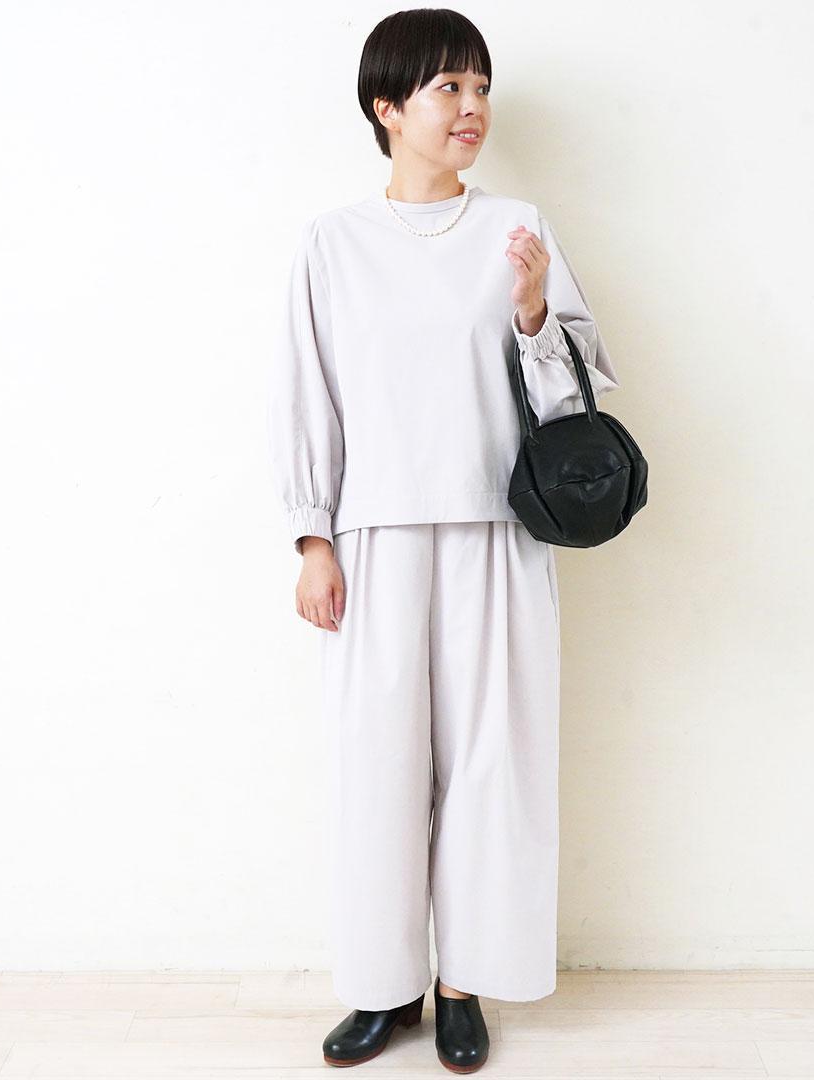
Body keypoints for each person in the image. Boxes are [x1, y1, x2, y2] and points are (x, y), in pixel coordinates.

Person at [266, 8, 621, 1072]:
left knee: (490, 768)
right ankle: (385, 990)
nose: (472, 108)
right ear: (388, 107)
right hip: (374, 539)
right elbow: (306, 396)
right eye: (448, 88)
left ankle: (465, 985)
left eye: (480, 87)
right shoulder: (332, 242)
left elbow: (579, 400)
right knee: (377, 770)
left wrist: (532, 311)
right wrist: (310, 537)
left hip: (498, 538)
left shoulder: (518, 226)